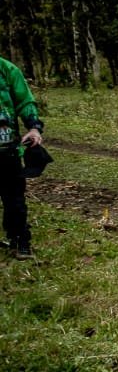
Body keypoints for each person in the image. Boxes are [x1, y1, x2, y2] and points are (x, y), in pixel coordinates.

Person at [0, 55, 45, 259]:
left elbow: (25, 101)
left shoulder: (7, 70)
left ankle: (20, 241)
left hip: (7, 150)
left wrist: (34, 127)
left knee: (14, 199)